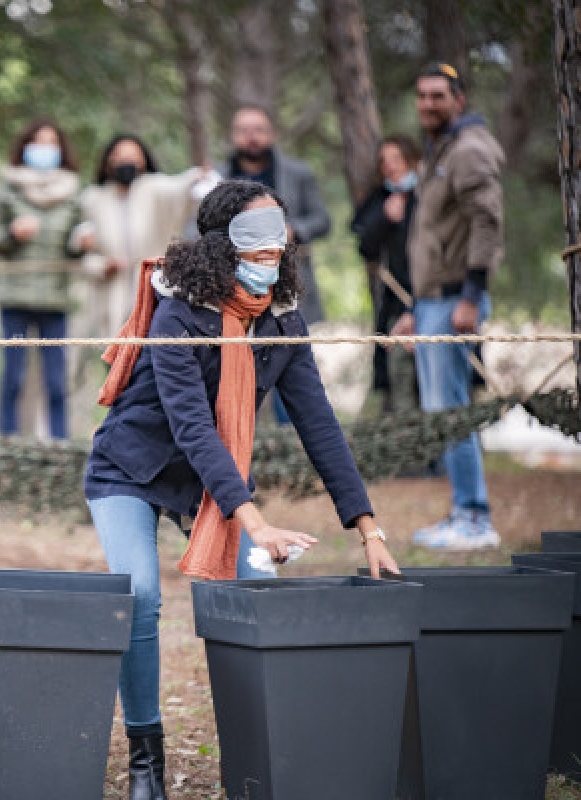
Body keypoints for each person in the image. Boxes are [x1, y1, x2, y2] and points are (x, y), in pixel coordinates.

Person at [85, 180, 400, 800]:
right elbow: (193, 427)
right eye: (255, 248)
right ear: (219, 246)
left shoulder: (282, 320)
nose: (268, 260)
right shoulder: (179, 309)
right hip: (130, 469)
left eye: (276, 247)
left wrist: (370, 528)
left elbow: (320, 426)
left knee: (260, 594)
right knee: (141, 596)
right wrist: (254, 521)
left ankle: (263, 754)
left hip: (216, 481)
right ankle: (146, 757)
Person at [391, 63, 505, 550]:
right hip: (435, 300)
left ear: (459, 99)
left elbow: (487, 223)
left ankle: (474, 519)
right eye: (421, 96)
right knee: (444, 410)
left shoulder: (470, 149)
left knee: (452, 412)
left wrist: (471, 298)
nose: (427, 104)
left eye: (438, 96)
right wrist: (418, 306)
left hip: (458, 298)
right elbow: (436, 236)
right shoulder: (442, 151)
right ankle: (464, 510)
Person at [220, 105, 330, 425]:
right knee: (234, 373)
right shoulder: (217, 175)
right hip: (233, 292)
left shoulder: (298, 173)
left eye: (259, 129)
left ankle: (292, 452)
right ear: (233, 135)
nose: (251, 137)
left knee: (290, 373)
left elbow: (322, 219)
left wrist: (296, 231)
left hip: (287, 286)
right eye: (244, 129)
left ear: (272, 134)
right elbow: (193, 226)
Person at [0, 119, 86, 440]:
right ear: (25, 147)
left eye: (51, 142)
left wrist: (80, 244)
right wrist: (12, 234)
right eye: (38, 142)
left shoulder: (73, 192)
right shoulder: (6, 187)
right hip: (14, 297)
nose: (44, 149)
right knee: (13, 377)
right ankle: (7, 441)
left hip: (56, 299)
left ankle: (59, 445)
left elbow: (75, 246)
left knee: (56, 381)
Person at [78, 134, 211, 339]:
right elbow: (83, 251)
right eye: (119, 156)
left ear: (143, 160)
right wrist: (103, 265)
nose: (126, 161)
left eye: (132, 155)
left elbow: (179, 188)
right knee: (116, 355)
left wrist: (196, 177)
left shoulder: (156, 188)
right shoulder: (94, 198)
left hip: (155, 287)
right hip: (113, 295)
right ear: (108, 162)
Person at [350, 134, 421, 413]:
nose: (390, 166)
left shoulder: (428, 194)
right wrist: (385, 218)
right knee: (401, 383)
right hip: (396, 304)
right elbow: (364, 244)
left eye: (397, 159)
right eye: (384, 161)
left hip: (433, 300)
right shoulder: (380, 199)